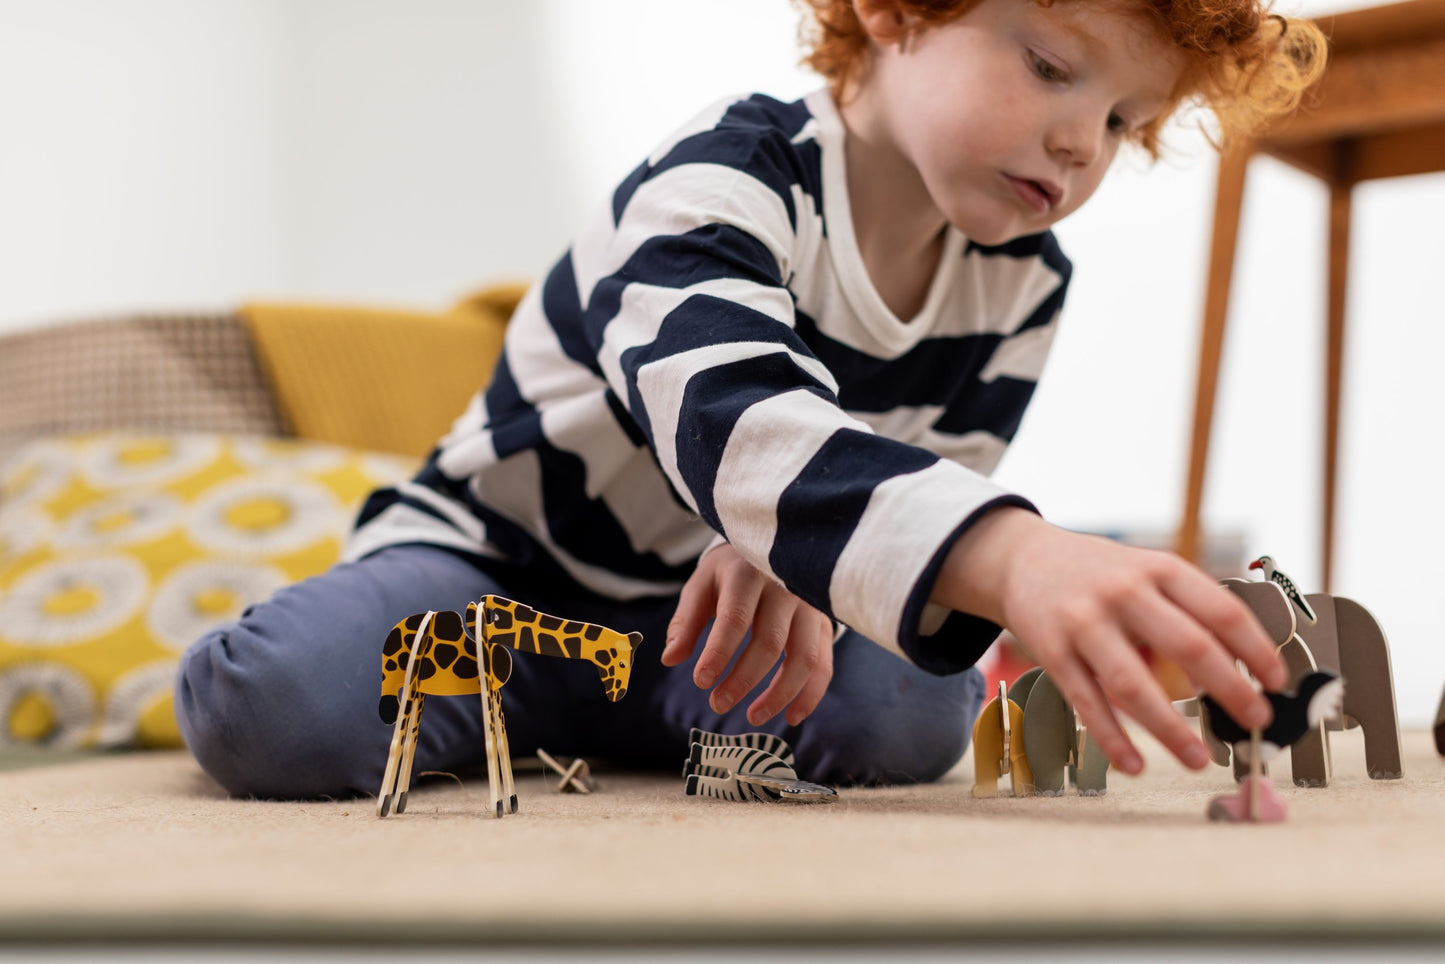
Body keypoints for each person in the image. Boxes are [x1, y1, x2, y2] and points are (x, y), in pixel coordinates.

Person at [175, 0, 1327, 799]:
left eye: (1125, 121)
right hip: (499, 575)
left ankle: (642, 722)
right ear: (896, 11)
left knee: (910, 713)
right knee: (273, 704)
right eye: (1048, 66)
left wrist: (796, 565)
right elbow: (730, 415)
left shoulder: (1020, 284)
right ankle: (515, 703)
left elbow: (920, 475)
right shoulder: (721, 173)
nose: (1082, 142)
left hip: (704, 629)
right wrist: (1021, 557)